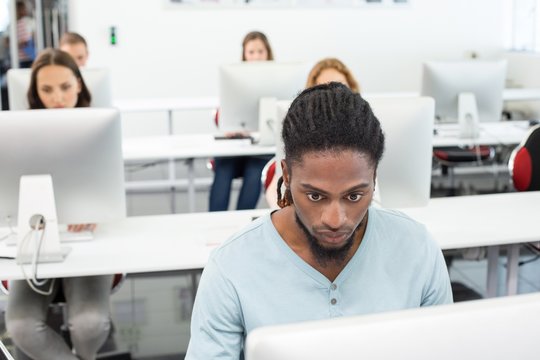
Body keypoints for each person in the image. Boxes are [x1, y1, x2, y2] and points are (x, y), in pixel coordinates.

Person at [186, 82, 453, 359]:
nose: (335, 220)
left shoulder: (417, 250)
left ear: (374, 179)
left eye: (354, 196)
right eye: (315, 196)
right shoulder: (231, 269)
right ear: (286, 177)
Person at [5, 48, 112, 360]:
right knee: (21, 324)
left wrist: (97, 211)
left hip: (90, 238)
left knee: (89, 324)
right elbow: (9, 195)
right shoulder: (19, 133)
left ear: (79, 84)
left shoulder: (101, 127)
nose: (58, 97)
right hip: (37, 239)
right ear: (35, 94)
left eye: (65, 87)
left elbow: (113, 194)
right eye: (47, 90)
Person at [265, 57, 361, 208]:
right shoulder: (299, 128)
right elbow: (275, 189)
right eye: (324, 89)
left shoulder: (366, 131)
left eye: (339, 87)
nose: (332, 96)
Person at [208, 31, 274, 211]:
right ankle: (215, 222)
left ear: (268, 52)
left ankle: (241, 225)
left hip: (262, 145)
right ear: (244, 54)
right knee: (223, 167)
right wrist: (229, 125)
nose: (256, 57)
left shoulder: (276, 77)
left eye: (260, 51)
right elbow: (221, 115)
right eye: (251, 52)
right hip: (237, 142)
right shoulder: (234, 78)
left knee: (255, 172)